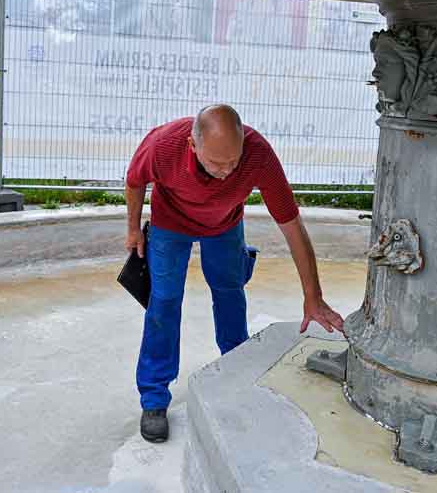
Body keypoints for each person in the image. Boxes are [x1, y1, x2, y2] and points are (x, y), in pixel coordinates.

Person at [124, 104, 344, 443]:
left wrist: (313, 297)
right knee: (164, 301)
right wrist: (133, 230)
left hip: (224, 225)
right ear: (192, 146)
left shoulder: (258, 154)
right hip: (170, 224)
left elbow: (291, 226)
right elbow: (135, 180)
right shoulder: (164, 146)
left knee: (229, 293)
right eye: (216, 163)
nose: (227, 171)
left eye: (234, 161)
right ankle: (154, 398)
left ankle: (236, 370)